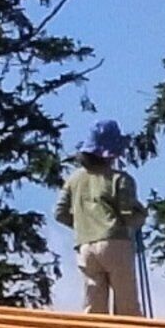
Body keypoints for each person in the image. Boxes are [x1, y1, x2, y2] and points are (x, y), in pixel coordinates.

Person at [61, 122, 144, 315]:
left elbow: (59, 212)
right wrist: (141, 216)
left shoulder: (74, 179)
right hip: (115, 242)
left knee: (94, 302)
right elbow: (127, 214)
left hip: (85, 245)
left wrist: (82, 225)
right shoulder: (120, 179)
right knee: (126, 303)